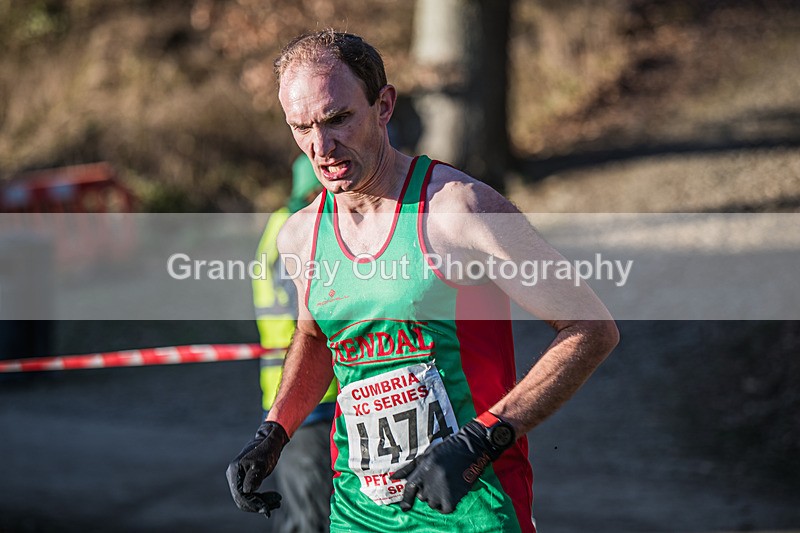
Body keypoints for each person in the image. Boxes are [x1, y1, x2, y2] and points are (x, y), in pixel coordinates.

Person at [227, 30, 619, 532]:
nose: (320, 146)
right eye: (300, 128)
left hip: (471, 508)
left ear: (384, 106)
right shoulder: (301, 235)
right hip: (360, 514)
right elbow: (316, 339)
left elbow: (590, 328)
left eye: (338, 118)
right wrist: (274, 432)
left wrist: (483, 438)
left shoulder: (460, 210)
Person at [250, 153, 337, 532]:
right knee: (311, 519)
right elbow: (316, 312)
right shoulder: (299, 232)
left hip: (301, 395)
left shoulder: (281, 226)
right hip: (308, 399)